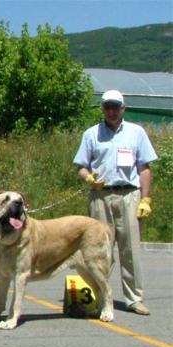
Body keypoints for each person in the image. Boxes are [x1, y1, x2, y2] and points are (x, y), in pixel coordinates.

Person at [73, 90, 158, 316]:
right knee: (99, 251)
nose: (111, 111)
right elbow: (81, 166)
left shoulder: (136, 133)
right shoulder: (91, 134)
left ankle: (134, 299)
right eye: (107, 106)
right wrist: (89, 178)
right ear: (102, 109)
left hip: (129, 195)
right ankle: (100, 298)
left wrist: (146, 198)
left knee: (130, 249)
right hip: (100, 196)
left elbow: (145, 168)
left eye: (115, 106)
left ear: (123, 108)